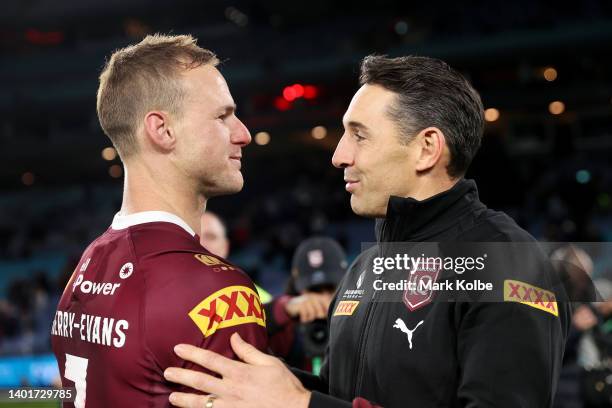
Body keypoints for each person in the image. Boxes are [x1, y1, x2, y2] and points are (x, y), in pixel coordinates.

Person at [163, 55, 571, 408]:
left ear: (427, 148)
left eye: (359, 134)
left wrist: (302, 404)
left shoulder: (506, 262)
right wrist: (262, 381)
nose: (340, 156)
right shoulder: (364, 268)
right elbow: (350, 395)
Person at [51, 34, 267, 407]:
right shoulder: (219, 293)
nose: (243, 134)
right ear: (162, 130)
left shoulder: (86, 266)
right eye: (223, 116)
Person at [200, 211, 340, 370]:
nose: (319, 301)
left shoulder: (254, 294)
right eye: (310, 292)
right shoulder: (288, 329)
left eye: (329, 290)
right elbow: (249, 333)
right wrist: (285, 308)